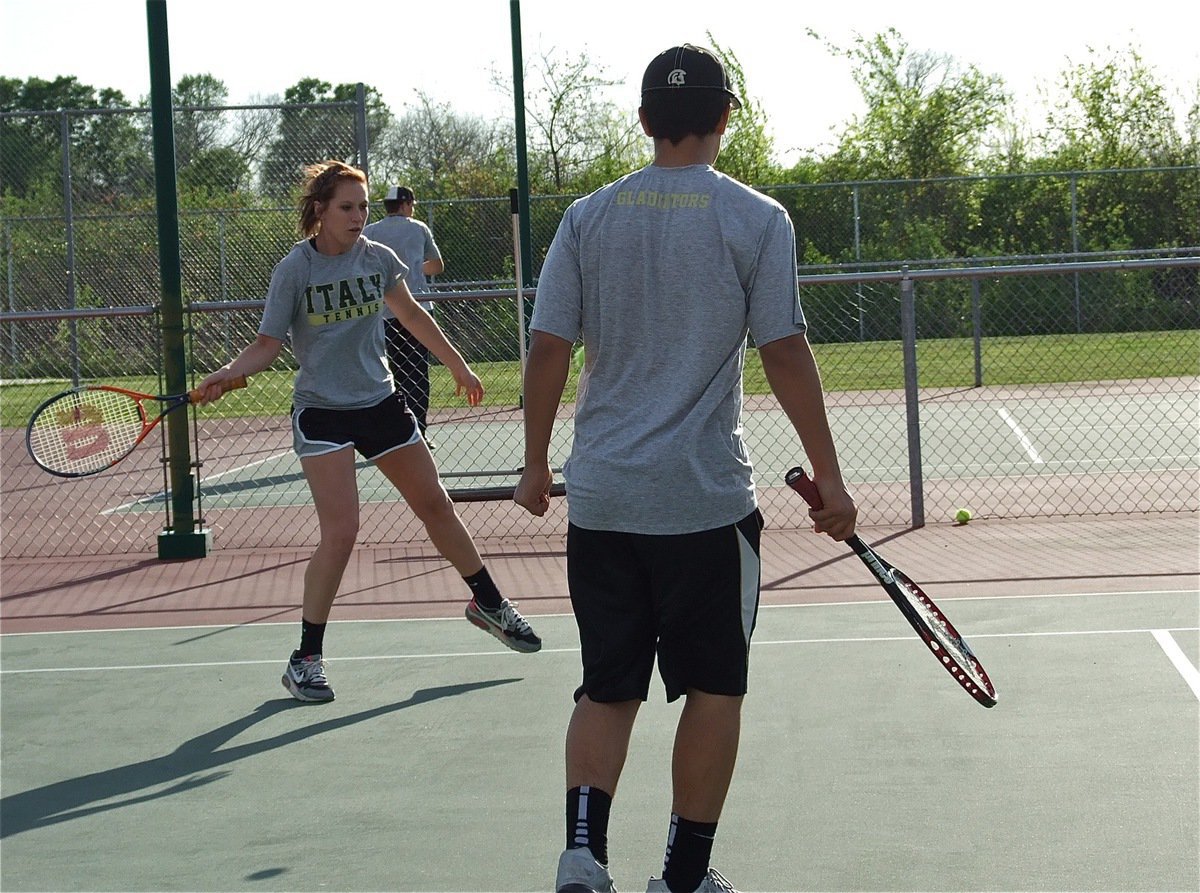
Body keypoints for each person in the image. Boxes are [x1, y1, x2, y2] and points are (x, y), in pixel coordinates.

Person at [514, 45, 857, 893]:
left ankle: (583, 858)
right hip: (703, 502)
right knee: (714, 690)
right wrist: (831, 477)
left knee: (607, 686)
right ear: (726, 117)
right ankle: (683, 877)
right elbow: (783, 348)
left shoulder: (590, 216)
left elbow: (549, 345)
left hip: (603, 497)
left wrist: (533, 465)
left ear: (643, 122)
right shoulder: (756, 218)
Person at [196, 160, 541, 704]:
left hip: (380, 403)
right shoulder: (296, 268)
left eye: (361, 206)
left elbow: (411, 315)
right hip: (322, 413)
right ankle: (305, 658)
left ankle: (488, 603)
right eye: (346, 207)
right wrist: (228, 373)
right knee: (342, 532)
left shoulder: (379, 259)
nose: (358, 216)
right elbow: (267, 344)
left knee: (436, 504)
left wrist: (457, 365)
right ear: (319, 211)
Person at [363, 185, 444, 447]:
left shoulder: (371, 231)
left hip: (384, 314)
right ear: (406, 204)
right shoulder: (418, 228)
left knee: (393, 374)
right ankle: (419, 431)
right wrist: (412, 268)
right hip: (418, 310)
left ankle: (397, 433)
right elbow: (437, 265)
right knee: (418, 373)